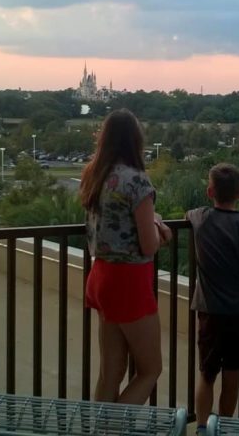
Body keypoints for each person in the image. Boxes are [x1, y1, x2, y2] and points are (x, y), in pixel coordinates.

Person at [80, 109, 172, 404]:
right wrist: (160, 228)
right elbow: (148, 246)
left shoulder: (94, 174)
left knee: (110, 372)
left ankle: (99, 429)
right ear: (136, 140)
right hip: (129, 283)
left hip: (101, 276)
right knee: (150, 370)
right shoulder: (136, 182)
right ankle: (113, 429)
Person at [186, 163, 239, 433]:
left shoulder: (199, 217)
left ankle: (201, 426)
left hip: (208, 311)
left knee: (206, 373)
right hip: (238, 312)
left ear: (210, 191)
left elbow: (189, 215)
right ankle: (221, 426)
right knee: (232, 374)